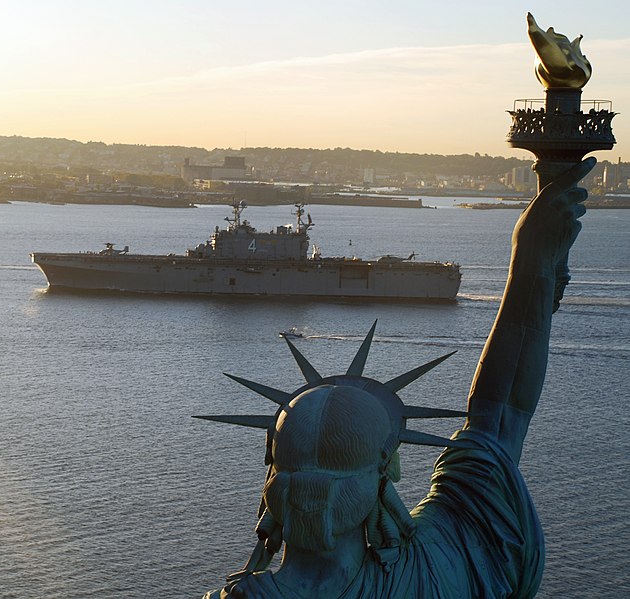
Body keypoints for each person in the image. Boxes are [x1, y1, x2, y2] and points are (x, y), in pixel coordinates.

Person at [202, 158, 595, 599]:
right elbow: (498, 424)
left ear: (275, 489)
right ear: (379, 485)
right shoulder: (431, 574)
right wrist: (533, 264)